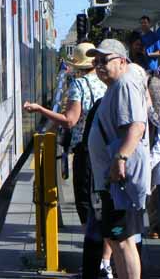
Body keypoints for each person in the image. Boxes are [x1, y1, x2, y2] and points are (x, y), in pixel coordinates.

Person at [87, 39, 150, 279]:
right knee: (116, 240)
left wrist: (120, 158)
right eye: (96, 61)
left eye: (105, 60)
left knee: (123, 241)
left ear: (122, 61)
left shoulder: (124, 84)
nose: (99, 65)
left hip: (119, 181)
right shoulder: (116, 86)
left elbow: (136, 126)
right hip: (111, 180)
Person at [24, 43, 107, 224]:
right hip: (106, 147)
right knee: (103, 201)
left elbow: (70, 120)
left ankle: (93, 245)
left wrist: (40, 109)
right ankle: (106, 247)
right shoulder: (106, 81)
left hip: (86, 149)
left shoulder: (79, 84)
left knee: (85, 202)